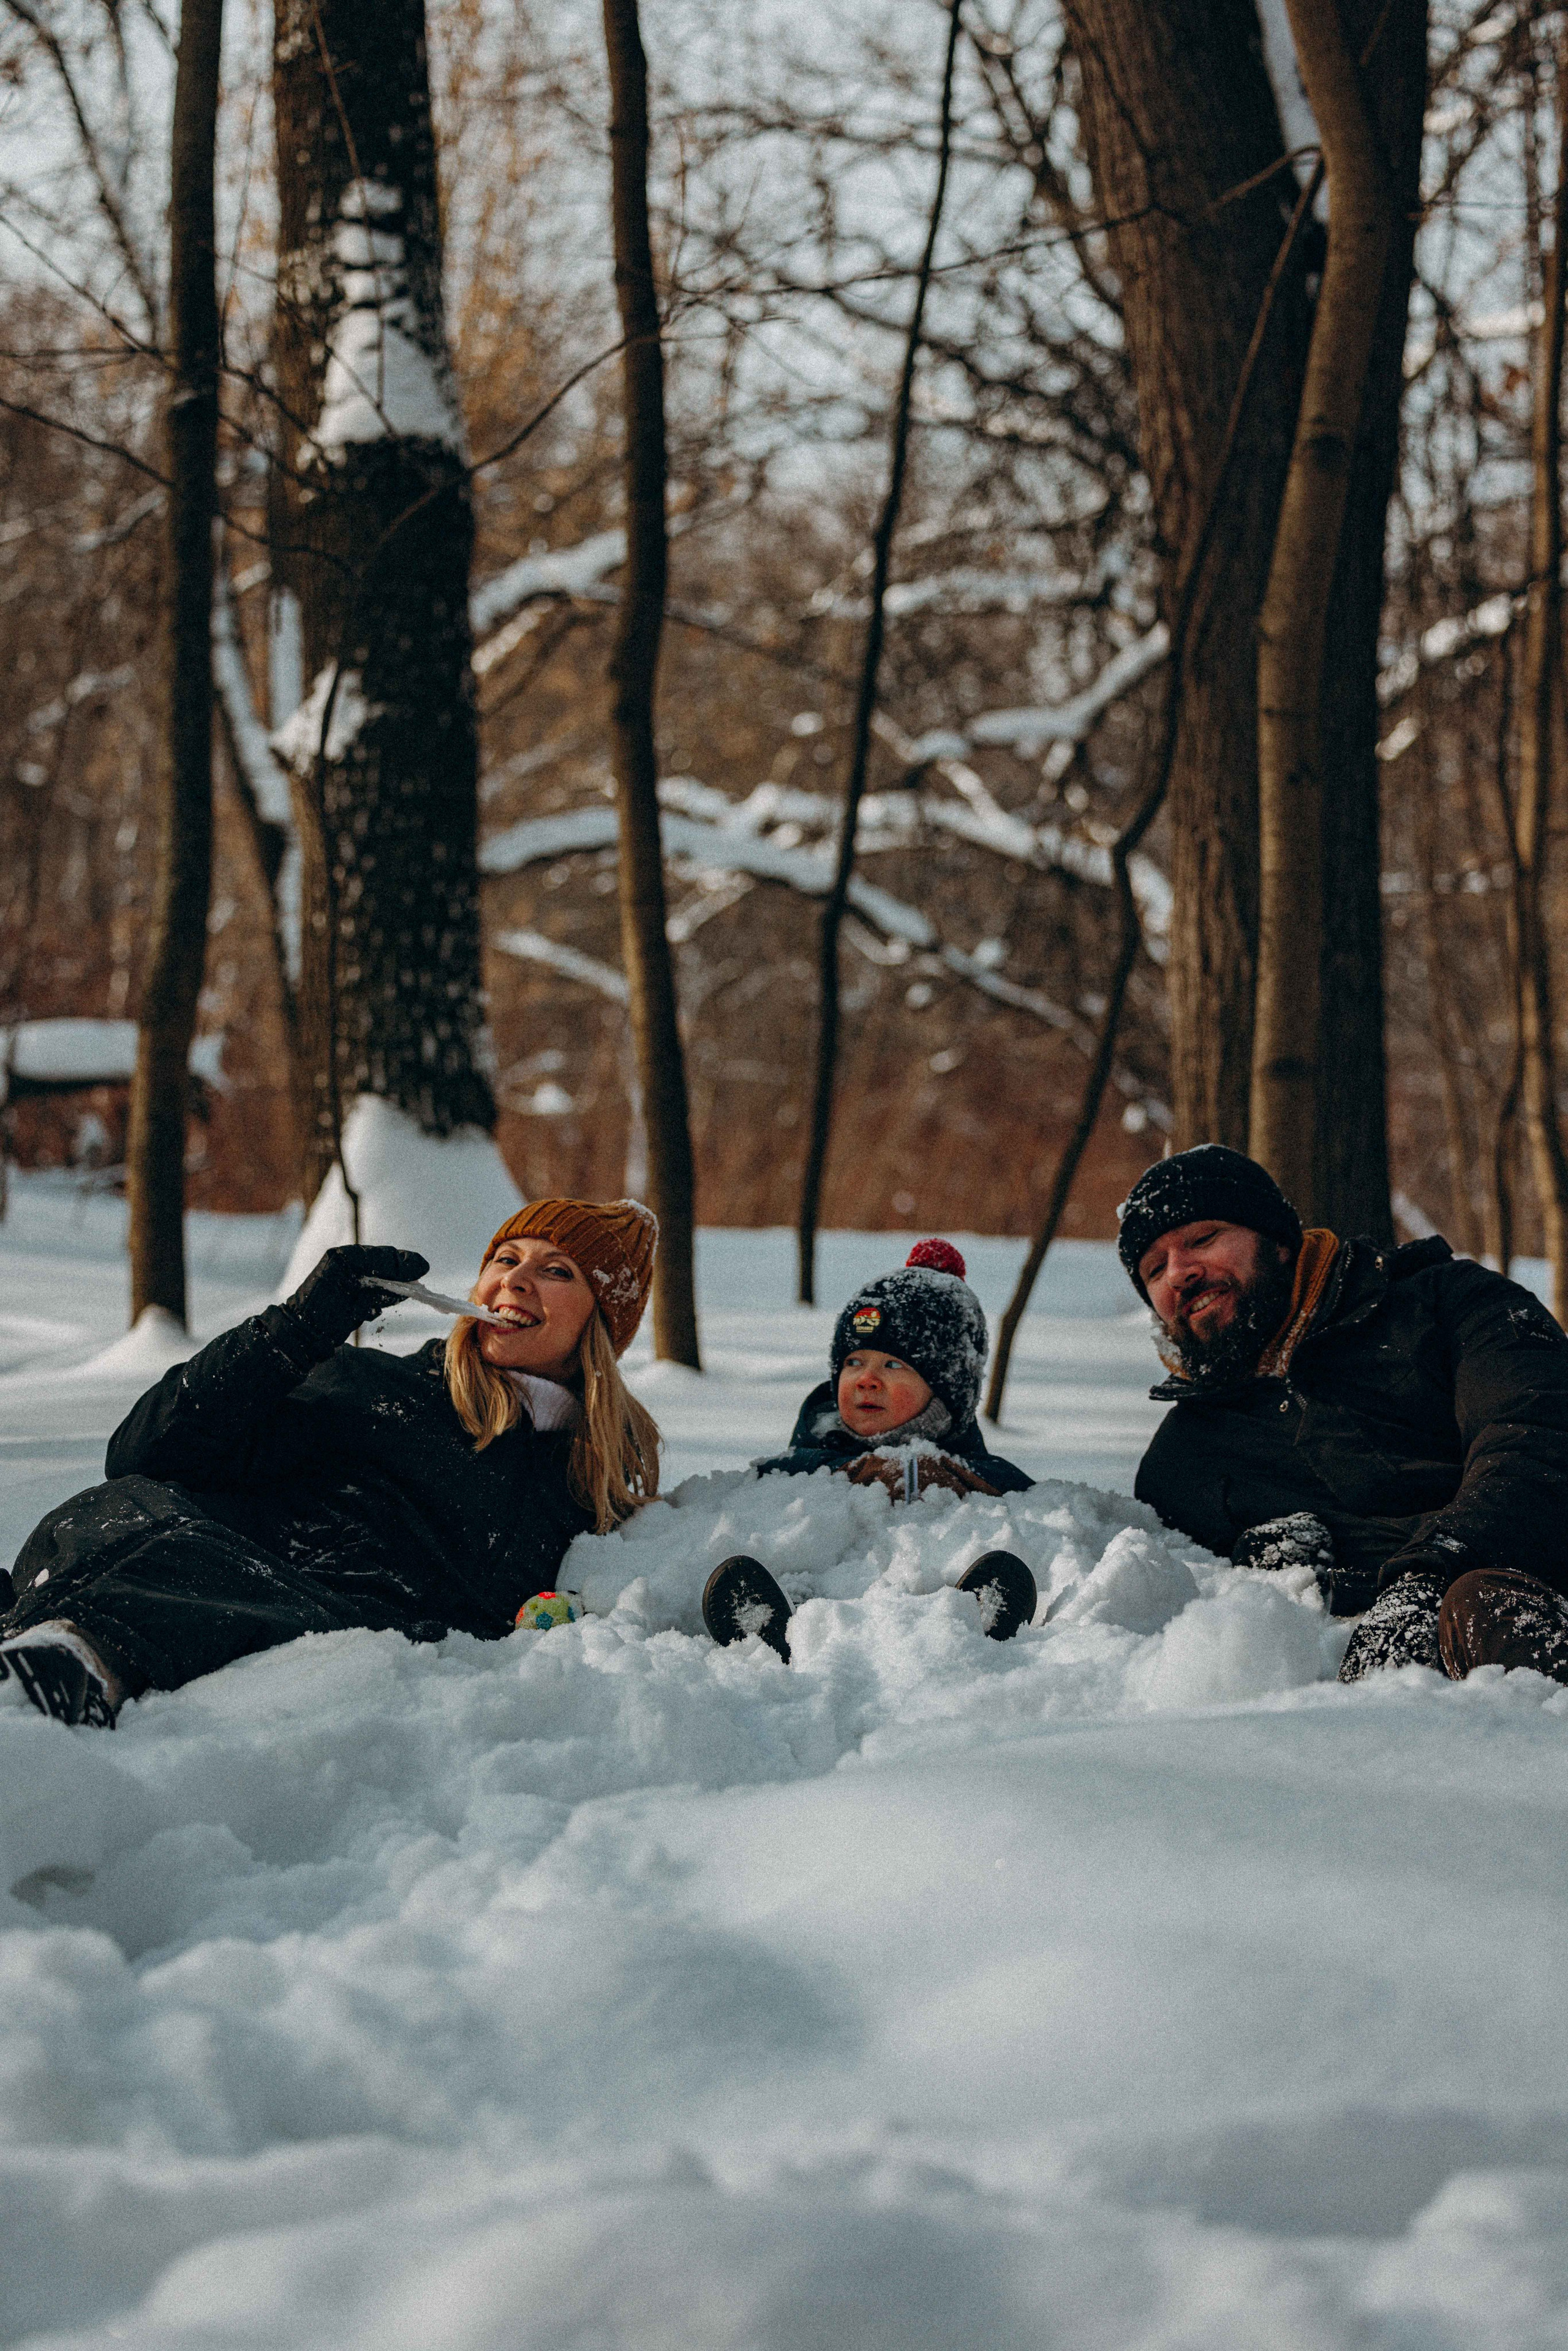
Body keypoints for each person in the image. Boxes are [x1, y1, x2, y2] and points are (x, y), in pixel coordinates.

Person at [0, 1199, 660, 1727]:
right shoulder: (373, 1384)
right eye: (505, 1258)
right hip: (202, 1563)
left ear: (599, 1324)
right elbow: (145, 1453)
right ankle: (56, 1663)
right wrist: (295, 1330)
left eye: (556, 1270)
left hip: (335, 1641)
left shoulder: (586, 1488)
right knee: (141, 1520)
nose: (513, 1279)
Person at [1117, 1142, 1568, 1686]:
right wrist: (1284, 1573)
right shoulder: (1182, 1462)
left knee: (1481, 1611)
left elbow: (1536, 1438)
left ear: (1278, 1241)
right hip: (1344, 1716)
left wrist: (1430, 1573)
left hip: (1531, 1597)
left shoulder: (1453, 1304)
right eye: (1154, 1268)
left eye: (1202, 1239)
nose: (1180, 1273)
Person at [702, 1240, 1038, 1659]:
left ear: (947, 1389)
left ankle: (971, 1626)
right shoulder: (808, 1459)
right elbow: (753, 1496)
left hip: (933, 1622)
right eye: (854, 1363)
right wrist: (838, 1472)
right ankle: (768, 1632)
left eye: (893, 1365)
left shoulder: (973, 1472)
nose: (866, 1379)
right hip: (817, 1611)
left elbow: (1037, 1503)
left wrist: (969, 1478)